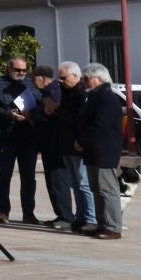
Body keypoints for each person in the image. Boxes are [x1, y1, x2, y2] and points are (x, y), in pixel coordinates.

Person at [75, 63, 126, 240]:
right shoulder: (95, 97)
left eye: (87, 78)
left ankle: (113, 226)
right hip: (93, 150)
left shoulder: (106, 97)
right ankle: (102, 223)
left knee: (107, 190)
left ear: (99, 79)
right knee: (96, 190)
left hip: (104, 151)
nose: (85, 82)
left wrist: (83, 141)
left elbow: (100, 126)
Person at [0, 56, 39, 223]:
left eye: (24, 70)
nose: (22, 73)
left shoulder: (30, 84)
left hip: (28, 137)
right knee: (3, 176)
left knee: (29, 177)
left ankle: (29, 213)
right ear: (9, 68)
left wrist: (32, 114)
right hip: (6, 137)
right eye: (18, 70)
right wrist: (8, 114)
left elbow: (38, 102)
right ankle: (3, 211)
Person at [53, 61, 97, 233]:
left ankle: (91, 218)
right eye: (59, 78)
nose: (61, 81)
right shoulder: (65, 92)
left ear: (76, 76)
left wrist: (57, 109)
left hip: (78, 145)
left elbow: (79, 120)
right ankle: (80, 217)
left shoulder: (81, 94)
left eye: (64, 78)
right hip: (66, 144)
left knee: (83, 183)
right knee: (75, 183)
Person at [32, 65, 74, 229]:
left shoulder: (54, 91)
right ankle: (61, 214)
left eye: (33, 77)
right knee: (52, 181)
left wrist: (39, 114)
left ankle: (66, 216)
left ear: (41, 77)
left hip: (56, 145)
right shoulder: (48, 92)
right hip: (49, 145)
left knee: (58, 181)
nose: (32, 81)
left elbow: (53, 115)